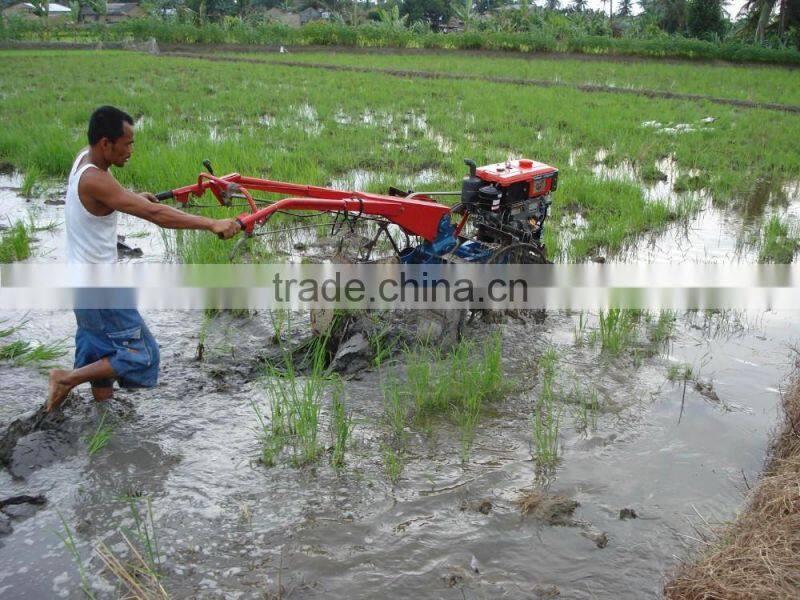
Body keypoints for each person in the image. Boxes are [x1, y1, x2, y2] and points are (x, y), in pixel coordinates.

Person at [46, 105, 240, 412]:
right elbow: (155, 214)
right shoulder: (96, 180)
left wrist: (132, 195)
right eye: (127, 143)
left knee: (98, 356)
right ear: (106, 144)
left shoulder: (84, 160)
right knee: (144, 355)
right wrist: (211, 223)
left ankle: (100, 431)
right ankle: (66, 379)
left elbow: (111, 196)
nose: (131, 150)